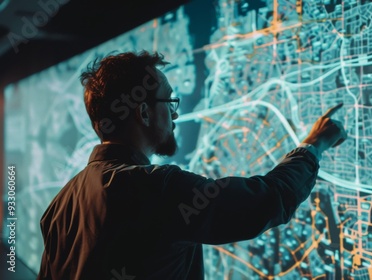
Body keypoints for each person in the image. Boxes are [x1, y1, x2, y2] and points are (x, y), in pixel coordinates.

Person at [37, 51, 348, 280]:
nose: (174, 115)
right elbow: (265, 201)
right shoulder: (154, 188)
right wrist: (315, 144)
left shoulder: (59, 206)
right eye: (169, 102)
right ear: (143, 113)